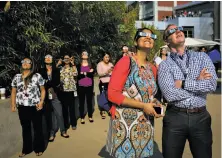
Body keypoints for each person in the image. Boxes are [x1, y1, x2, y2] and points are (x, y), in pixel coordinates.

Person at [158, 24, 218, 158]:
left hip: (200, 117)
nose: (178, 31)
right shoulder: (164, 65)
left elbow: (212, 85)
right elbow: (170, 94)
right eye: (172, 31)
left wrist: (183, 83)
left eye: (179, 28)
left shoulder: (202, 57)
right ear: (167, 41)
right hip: (175, 118)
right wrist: (198, 82)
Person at [106, 28, 163, 157]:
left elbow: (151, 95)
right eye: (144, 35)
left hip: (146, 125)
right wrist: (143, 106)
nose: (148, 37)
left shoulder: (152, 67)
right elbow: (112, 94)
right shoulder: (126, 61)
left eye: (151, 36)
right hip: (125, 124)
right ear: (135, 42)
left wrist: (156, 106)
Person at [11, 57, 46, 157]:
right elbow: (13, 91)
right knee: (25, 128)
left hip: (35, 106)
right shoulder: (17, 77)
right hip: (22, 107)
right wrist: (13, 104)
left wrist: (41, 101)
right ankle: (26, 149)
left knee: (37, 128)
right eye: (23, 61)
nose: (25, 63)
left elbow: (43, 90)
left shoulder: (37, 76)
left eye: (28, 62)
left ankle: (39, 148)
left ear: (32, 65)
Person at [40, 54, 69, 142]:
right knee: (49, 115)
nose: (48, 59)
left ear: (52, 60)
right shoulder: (41, 70)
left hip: (55, 95)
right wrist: (49, 82)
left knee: (59, 113)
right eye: (46, 57)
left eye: (50, 57)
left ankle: (63, 131)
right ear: (44, 60)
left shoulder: (56, 70)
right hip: (45, 97)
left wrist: (47, 82)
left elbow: (56, 82)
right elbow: (41, 83)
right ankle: (51, 133)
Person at [59, 54, 78, 130]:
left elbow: (76, 74)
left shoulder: (72, 67)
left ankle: (73, 123)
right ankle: (66, 124)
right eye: (65, 58)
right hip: (63, 90)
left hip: (71, 90)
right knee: (64, 109)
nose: (66, 59)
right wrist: (58, 63)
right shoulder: (61, 68)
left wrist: (73, 63)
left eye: (68, 58)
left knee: (72, 108)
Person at [76, 51, 95, 124]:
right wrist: (87, 73)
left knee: (89, 101)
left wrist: (84, 73)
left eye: (86, 54)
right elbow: (78, 75)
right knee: (81, 102)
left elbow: (92, 74)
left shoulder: (91, 65)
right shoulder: (78, 65)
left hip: (89, 86)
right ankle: (82, 117)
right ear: (81, 55)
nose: (85, 55)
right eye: (83, 54)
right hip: (81, 86)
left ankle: (90, 116)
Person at [96, 52, 114, 119]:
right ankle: (103, 111)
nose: (107, 58)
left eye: (108, 57)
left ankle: (110, 109)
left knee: (110, 97)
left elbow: (113, 73)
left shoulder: (111, 64)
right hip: (103, 83)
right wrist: (107, 72)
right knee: (103, 97)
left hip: (110, 83)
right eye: (106, 57)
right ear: (103, 57)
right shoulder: (99, 64)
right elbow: (99, 74)